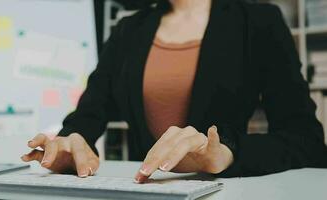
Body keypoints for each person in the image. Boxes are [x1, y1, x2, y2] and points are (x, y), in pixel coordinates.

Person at [21, 0, 327, 183]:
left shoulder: (258, 22)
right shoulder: (128, 30)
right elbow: (86, 119)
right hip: (144, 191)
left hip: (224, 192)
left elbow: (306, 140)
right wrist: (68, 146)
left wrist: (227, 153)